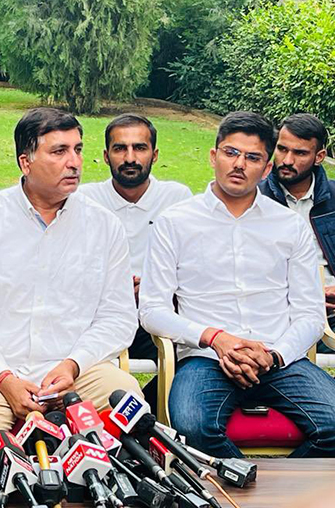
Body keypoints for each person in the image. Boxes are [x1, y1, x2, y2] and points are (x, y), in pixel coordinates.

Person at [0, 107, 142, 455]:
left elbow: (118, 317)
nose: (74, 162)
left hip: (80, 371)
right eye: (59, 151)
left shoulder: (104, 226)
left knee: (130, 409)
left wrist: (72, 365)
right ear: (26, 162)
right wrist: (5, 379)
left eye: (77, 150)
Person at [140, 111, 335, 458]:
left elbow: (310, 314)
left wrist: (273, 355)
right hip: (206, 358)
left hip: (279, 357)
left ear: (267, 168)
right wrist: (217, 338)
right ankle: (246, 482)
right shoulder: (175, 222)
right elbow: (152, 310)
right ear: (213, 156)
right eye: (231, 153)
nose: (239, 164)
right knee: (193, 427)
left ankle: (271, 488)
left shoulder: (289, 226)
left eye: (253, 157)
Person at [77, 114, 191, 361]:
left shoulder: (177, 199)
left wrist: (151, 286)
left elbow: (192, 267)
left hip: (157, 311)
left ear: (155, 154)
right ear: (106, 156)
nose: (130, 158)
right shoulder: (84, 200)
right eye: (120, 149)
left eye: (139, 148)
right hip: (96, 315)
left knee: (181, 359)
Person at [258, 113, 335, 351]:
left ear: (319, 156)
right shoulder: (254, 198)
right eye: (282, 149)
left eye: (300, 153)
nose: (287, 160)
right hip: (276, 315)